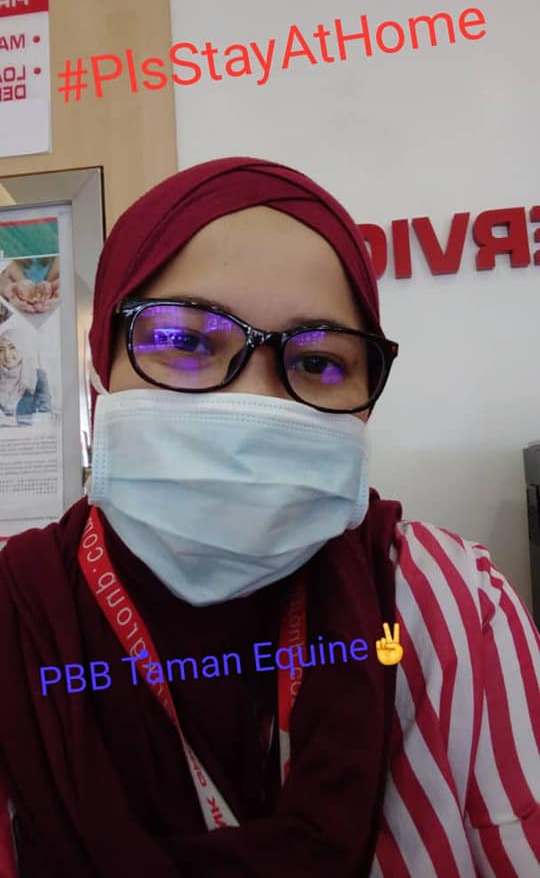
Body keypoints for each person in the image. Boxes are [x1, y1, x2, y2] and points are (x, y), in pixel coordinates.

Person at [0, 157, 538, 878]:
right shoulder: (17, 621)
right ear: (103, 368)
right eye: (184, 341)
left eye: (318, 363)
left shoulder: (454, 610)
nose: (253, 405)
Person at [0, 328, 51, 425]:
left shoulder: (37, 377)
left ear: (22, 348)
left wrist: (12, 422)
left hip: (28, 434)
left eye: (12, 348)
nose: (7, 354)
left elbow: (45, 417)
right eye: (1, 350)